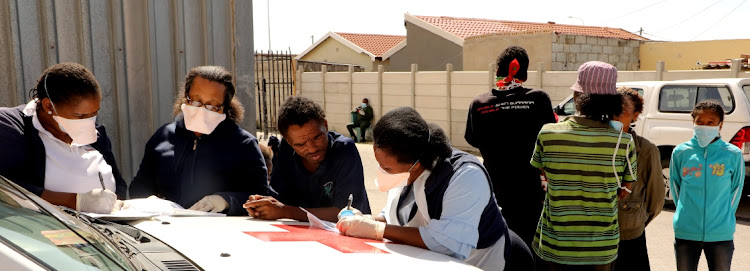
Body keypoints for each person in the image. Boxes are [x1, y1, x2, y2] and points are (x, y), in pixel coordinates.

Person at [336, 107, 534, 270]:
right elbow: (398, 217)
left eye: (386, 168)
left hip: (491, 261)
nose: (381, 171)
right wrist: (365, 219)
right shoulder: (407, 173)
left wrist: (378, 230)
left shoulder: (466, 176)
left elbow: (448, 241)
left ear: (416, 164)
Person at [530, 61, 636, 270]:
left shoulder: (548, 133)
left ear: (578, 96)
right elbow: (624, 191)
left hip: (555, 244)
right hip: (601, 249)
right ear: (613, 101)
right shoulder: (623, 142)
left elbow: (544, 175)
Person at [129, 66, 270, 215]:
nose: (202, 110)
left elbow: (262, 197)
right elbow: (139, 187)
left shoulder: (244, 145)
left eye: (212, 105)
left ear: (225, 108)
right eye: (196, 101)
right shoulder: (163, 136)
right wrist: (149, 201)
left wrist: (225, 201)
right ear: (186, 97)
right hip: (166, 230)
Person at [0, 62, 126, 214]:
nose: (90, 121)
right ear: (48, 106)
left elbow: (117, 180)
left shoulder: (95, 132)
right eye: (80, 116)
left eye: (94, 114)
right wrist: (75, 202)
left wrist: (118, 206)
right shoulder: (10, 127)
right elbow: (7, 188)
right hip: (52, 232)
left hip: (112, 231)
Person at [464, 45, 556, 246]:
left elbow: (472, 139)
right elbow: (551, 140)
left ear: (498, 70)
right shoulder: (538, 99)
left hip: (492, 191)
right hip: (529, 192)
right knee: (529, 247)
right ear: (524, 72)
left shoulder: (479, 104)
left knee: (497, 246)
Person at [243, 96, 371, 222]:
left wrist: (286, 211)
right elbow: (279, 198)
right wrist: (263, 205)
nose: (311, 148)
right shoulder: (286, 150)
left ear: (325, 126)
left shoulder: (344, 149)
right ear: (288, 142)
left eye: (317, 138)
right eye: (300, 145)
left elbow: (346, 213)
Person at [670, 100, 743, 271]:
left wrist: (723, 217)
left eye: (710, 122)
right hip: (686, 231)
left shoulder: (732, 154)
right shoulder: (681, 152)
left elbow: (736, 189)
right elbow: (675, 187)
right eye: (700, 122)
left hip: (721, 233)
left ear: (720, 125)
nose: (705, 126)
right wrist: (686, 212)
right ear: (693, 123)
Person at [613, 87, 664, 271]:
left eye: (622, 112)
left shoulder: (645, 150)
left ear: (635, 115)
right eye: (611, 110)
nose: (615, 116)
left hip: (630, 234)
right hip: (598, 235)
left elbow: (656, 199)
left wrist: (636, 219)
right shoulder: (596, 145)